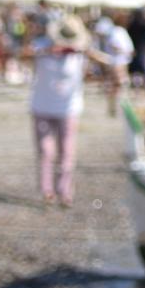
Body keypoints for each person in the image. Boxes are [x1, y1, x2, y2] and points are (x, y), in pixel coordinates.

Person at [29, 15, 90, 207]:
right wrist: (47, 51)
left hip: (68, 108)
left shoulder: (79, 54)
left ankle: (65, 191)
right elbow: (21, 54)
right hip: (42, 106)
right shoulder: (41, 47)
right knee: (46, 151)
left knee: (67, 151)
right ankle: (47, 190)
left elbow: (90, 72)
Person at [127, 6, 145, 88]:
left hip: (133, 50)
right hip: (142, 50)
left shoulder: (131, 25)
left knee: (133, 70)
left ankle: (136, 88)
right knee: (143, 71)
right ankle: (144, 89)